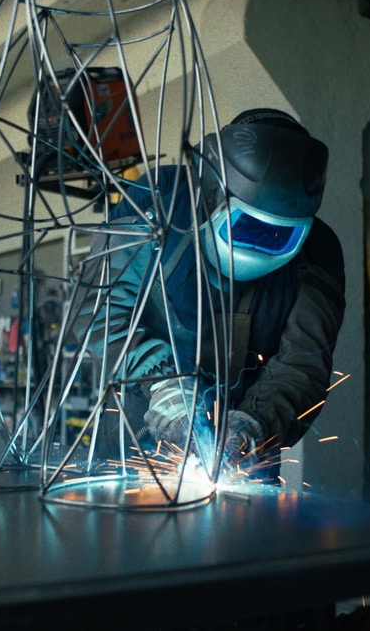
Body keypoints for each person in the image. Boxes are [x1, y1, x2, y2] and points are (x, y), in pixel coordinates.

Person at [69, 108, 346, 475]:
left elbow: (304, 363)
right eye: (246, 226)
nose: (259, 244)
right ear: (214, 195)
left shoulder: (319, 248)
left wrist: (254, 425)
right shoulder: (159, 200)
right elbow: (97, 310)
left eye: (279, 235)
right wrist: (162, 382)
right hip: (133, 438)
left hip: (242, 454)